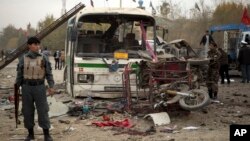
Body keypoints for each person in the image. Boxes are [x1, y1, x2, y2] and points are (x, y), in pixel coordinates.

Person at [15, 36, 54, 141]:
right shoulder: (23, 58)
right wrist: (16, 88)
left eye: (38, 44)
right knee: (27, 111)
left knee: (43, 110)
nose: (37, 46)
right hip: (26, 87)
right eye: (35, 44)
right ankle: (30, 134)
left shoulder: (44, 58)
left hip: (40, 87)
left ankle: (47, 134)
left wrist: (51, 86)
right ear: (29, 45)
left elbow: (49, 74)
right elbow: (19, 75)